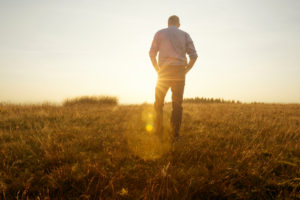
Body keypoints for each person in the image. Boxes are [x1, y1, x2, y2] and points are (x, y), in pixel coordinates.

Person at [149, 15, 198, 141]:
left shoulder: (159, 33)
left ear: (168, 23)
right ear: (178, 24)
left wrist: (157, 70)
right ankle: (174, 134)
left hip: (163, 72)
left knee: (159, 103)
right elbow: (194, 56)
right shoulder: (185, 34)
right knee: (177, 104)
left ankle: (158, 131)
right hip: (179, 72)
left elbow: (151, 53)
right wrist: (186, 70)